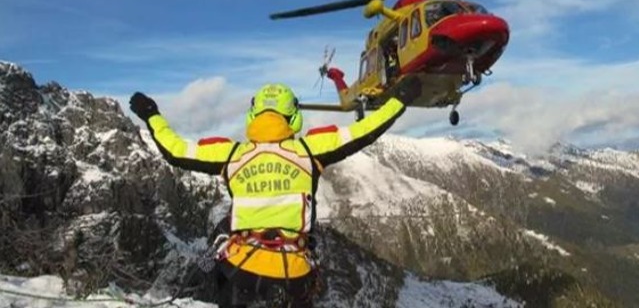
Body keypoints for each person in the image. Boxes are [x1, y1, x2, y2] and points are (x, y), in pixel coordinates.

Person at [129, 77, 421, 308]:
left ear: (252, 115)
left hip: (238, 271)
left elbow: (175, 150)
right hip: (293, 274)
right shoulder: (310, 150)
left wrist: (152, 114)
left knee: (217, 258)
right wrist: (399, 99)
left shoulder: (232, 155)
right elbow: (365, 131)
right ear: (292, 117)